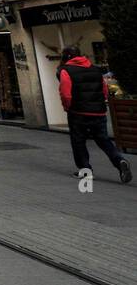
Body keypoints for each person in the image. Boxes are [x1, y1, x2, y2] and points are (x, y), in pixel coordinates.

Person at [58, 47, 132, 184]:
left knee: (78, 141)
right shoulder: (95, 69)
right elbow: (104, 90)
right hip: (98, 112)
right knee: (103, 140)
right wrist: (99, 104)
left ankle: (86, 170)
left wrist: (67, 107)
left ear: (67, 56)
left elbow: (65, 93)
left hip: (78, 112)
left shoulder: (66, 70)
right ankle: (119, 160)